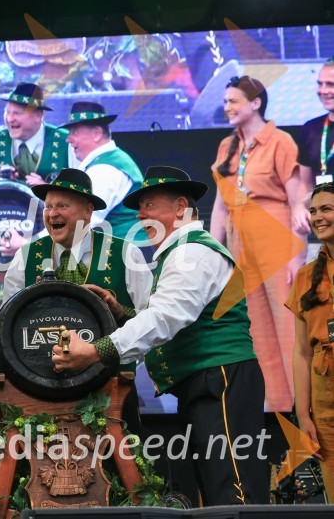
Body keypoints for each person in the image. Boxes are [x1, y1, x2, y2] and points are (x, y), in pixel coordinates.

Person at [52, 166, 267, 506]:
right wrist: (122, 313)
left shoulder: (192, 252)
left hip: (221, 379)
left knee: (233, 490)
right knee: (212, 489)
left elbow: (166, 317)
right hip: (206, 381)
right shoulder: (179, 252)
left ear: (180, 207)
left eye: (149, 204)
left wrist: (97, 350)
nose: (140, 214)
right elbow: (178, 316)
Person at [2, 168, 152, 432]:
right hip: (40, 398)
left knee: (122, 469)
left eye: (62, 205)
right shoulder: (25, 257)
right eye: (48, 206)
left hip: (113, 392)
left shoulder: (125, 252)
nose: (52, 214)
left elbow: (151, 323)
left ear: (87, 211)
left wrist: (118, 310)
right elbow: (4, 328)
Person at [209, 75, 310, 412]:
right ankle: (277, 408)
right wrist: (213, 252)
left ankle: (305, 407)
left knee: (287, 327)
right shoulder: (228, 145)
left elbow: (298, 202)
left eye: (233, 101)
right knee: (256, 330)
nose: (227, 108)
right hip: (241, 244)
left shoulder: (280, 141)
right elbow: (221, 205)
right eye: (225, 102)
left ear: (255, 103)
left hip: (275, 239)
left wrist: (297, 256)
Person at [285, 181, 334, 502]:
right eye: (313, 210)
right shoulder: (306, 276)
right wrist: (303, 415)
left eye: (326, 209)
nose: (317, 217)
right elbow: (302, 352)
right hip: (324, 396)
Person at [61, 102, 146, 241]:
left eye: (74, 132)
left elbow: (79, 225)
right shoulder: (111, 160)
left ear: (97, 134)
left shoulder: (104, 170)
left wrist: (29, 244)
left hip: (125, 254)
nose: (68, 139)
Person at [0, 82, 71, 190]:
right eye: (7, 112)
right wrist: (2, 186)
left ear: (38, 115)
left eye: (17, 113)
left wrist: (49, 191)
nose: (10, 119)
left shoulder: (67, 141)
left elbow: (82, 193)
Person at [297, 58, 334, 189]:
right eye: (320, 84)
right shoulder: (310, 129)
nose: (322, 91)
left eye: (330, 84)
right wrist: (299, 207)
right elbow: (305, 184)